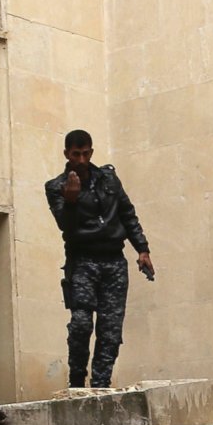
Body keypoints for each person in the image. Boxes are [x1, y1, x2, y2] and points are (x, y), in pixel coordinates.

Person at [44, 129, 153, 390]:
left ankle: (101, 385)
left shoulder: (109, 179)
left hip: (114, 261)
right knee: (81, 323)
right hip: (83, 261)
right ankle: (77, 381)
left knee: (110, 330)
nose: (81, 160)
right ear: (67, 155)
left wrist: (142, 249)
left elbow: (127, 214)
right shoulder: (56, 187)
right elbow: (66, 228)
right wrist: (71, 201)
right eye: (75, 154)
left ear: (91, 152)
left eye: (85, 154)